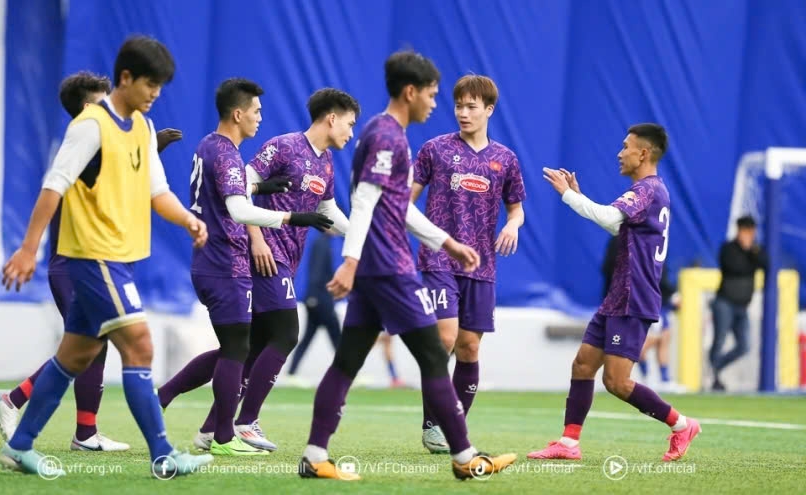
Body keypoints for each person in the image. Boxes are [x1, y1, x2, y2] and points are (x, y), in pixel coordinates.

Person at [0, 36, 213, 477]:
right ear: (126, 78)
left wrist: (188, 220)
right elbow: (53, 185)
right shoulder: (91, 125)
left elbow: (159, 193)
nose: (155, 93)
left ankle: (20, 445)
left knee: (75, 357)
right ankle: (163, 455)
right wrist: (27, 249)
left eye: (161, 86)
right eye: (149, 83)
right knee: (140, 345)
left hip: (122, 257)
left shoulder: (144, 129)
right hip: (94, 258)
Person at [297, 50, 517, 481]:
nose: (439, 105)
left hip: (377, 269)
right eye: (434, 96)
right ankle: (465, 457)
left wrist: (446, 241)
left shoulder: (391, 135)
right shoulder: (386, 136)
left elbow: (399, 206)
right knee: (435, 357)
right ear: (410, 92)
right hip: (388, 269)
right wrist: (351, 261)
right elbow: (363, 202)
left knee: (347, 361)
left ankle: (314, 455)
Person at [161, 78, 334, 456]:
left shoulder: (210, 146)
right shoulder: (227, 154)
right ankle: (228, 434)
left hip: (214, 262)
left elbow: (231, 193)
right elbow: (238, 209)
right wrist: (294, 218)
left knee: (239, 347)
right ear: (238, 114)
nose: (260, 118)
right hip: (226, 263)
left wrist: (265, 189)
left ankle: (181, 407)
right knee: (246, 346)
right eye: (255, 111)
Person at [533, 123, 700, 463]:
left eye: (626, 146)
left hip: (633, 297)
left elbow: (611, 220)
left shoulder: (648, 189)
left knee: (617, 382)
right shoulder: (650, 191)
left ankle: (682, 425)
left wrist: (568, 195)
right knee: (582, 365)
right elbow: (617, 223)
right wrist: (578, 198)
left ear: (644, 153)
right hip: (618, 296)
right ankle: (568, 443)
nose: (619, 153)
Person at [411, 74, 526, 453]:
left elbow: (517, 209)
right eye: (458, 105)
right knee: (444, 337)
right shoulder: (435, 150)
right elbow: (405, 199)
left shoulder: (505, 159)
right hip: (438, 258)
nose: (463, 113)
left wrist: (512, 225)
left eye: (471, 106)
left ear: (488, 110)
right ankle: (432, 425)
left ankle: (452, 425)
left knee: (469, 348)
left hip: (482, 265)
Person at [603, 237, 684, 392]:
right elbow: (649, 275)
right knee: (645, 342)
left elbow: (658, 275)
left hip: (651, 300)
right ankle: (647, 378)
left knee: (664, 337)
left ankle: (662, 379)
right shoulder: (635, 241)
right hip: (641, 301)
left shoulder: (653, 241)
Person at [709, 215, 767, 391]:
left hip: (742, 306)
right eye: (745, 231)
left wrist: (752, 251)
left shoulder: (755, 251)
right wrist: (748, 253)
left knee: (745, 345)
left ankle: (716, 366)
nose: (748, 235)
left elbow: (767, 264)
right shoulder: (729, 248)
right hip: (724, 302)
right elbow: (735, 268)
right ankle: (715, 377)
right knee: (719, 340)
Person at [287, 233, 343, 379]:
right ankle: (346, 372)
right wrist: (313, 297)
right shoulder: (321, 244)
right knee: (336, 337)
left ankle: (292, 372)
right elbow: (316, 273)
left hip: (318, 298)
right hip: (320, 300)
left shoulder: (323, 242)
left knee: (309, 338)